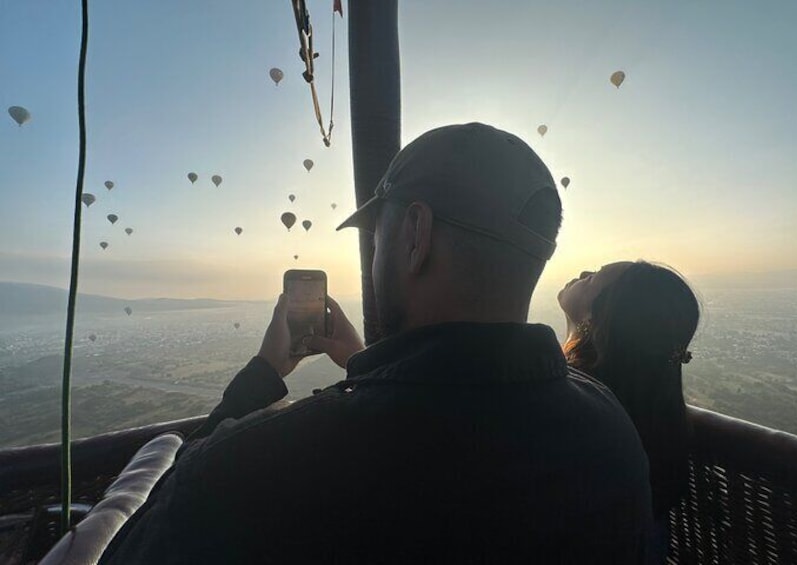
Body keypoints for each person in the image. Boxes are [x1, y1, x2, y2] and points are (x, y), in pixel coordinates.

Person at [101, 123, 651, 563]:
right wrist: (370, 366)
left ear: (415, 233)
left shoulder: (255, 468)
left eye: (378, 233)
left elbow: (152, 531)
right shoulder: (610, 431)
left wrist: (264, 374)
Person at [558, 261, 700, 563]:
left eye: (593, 278)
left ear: (597, 321)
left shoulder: (575, 420)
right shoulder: (648, 425)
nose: (583, 273)